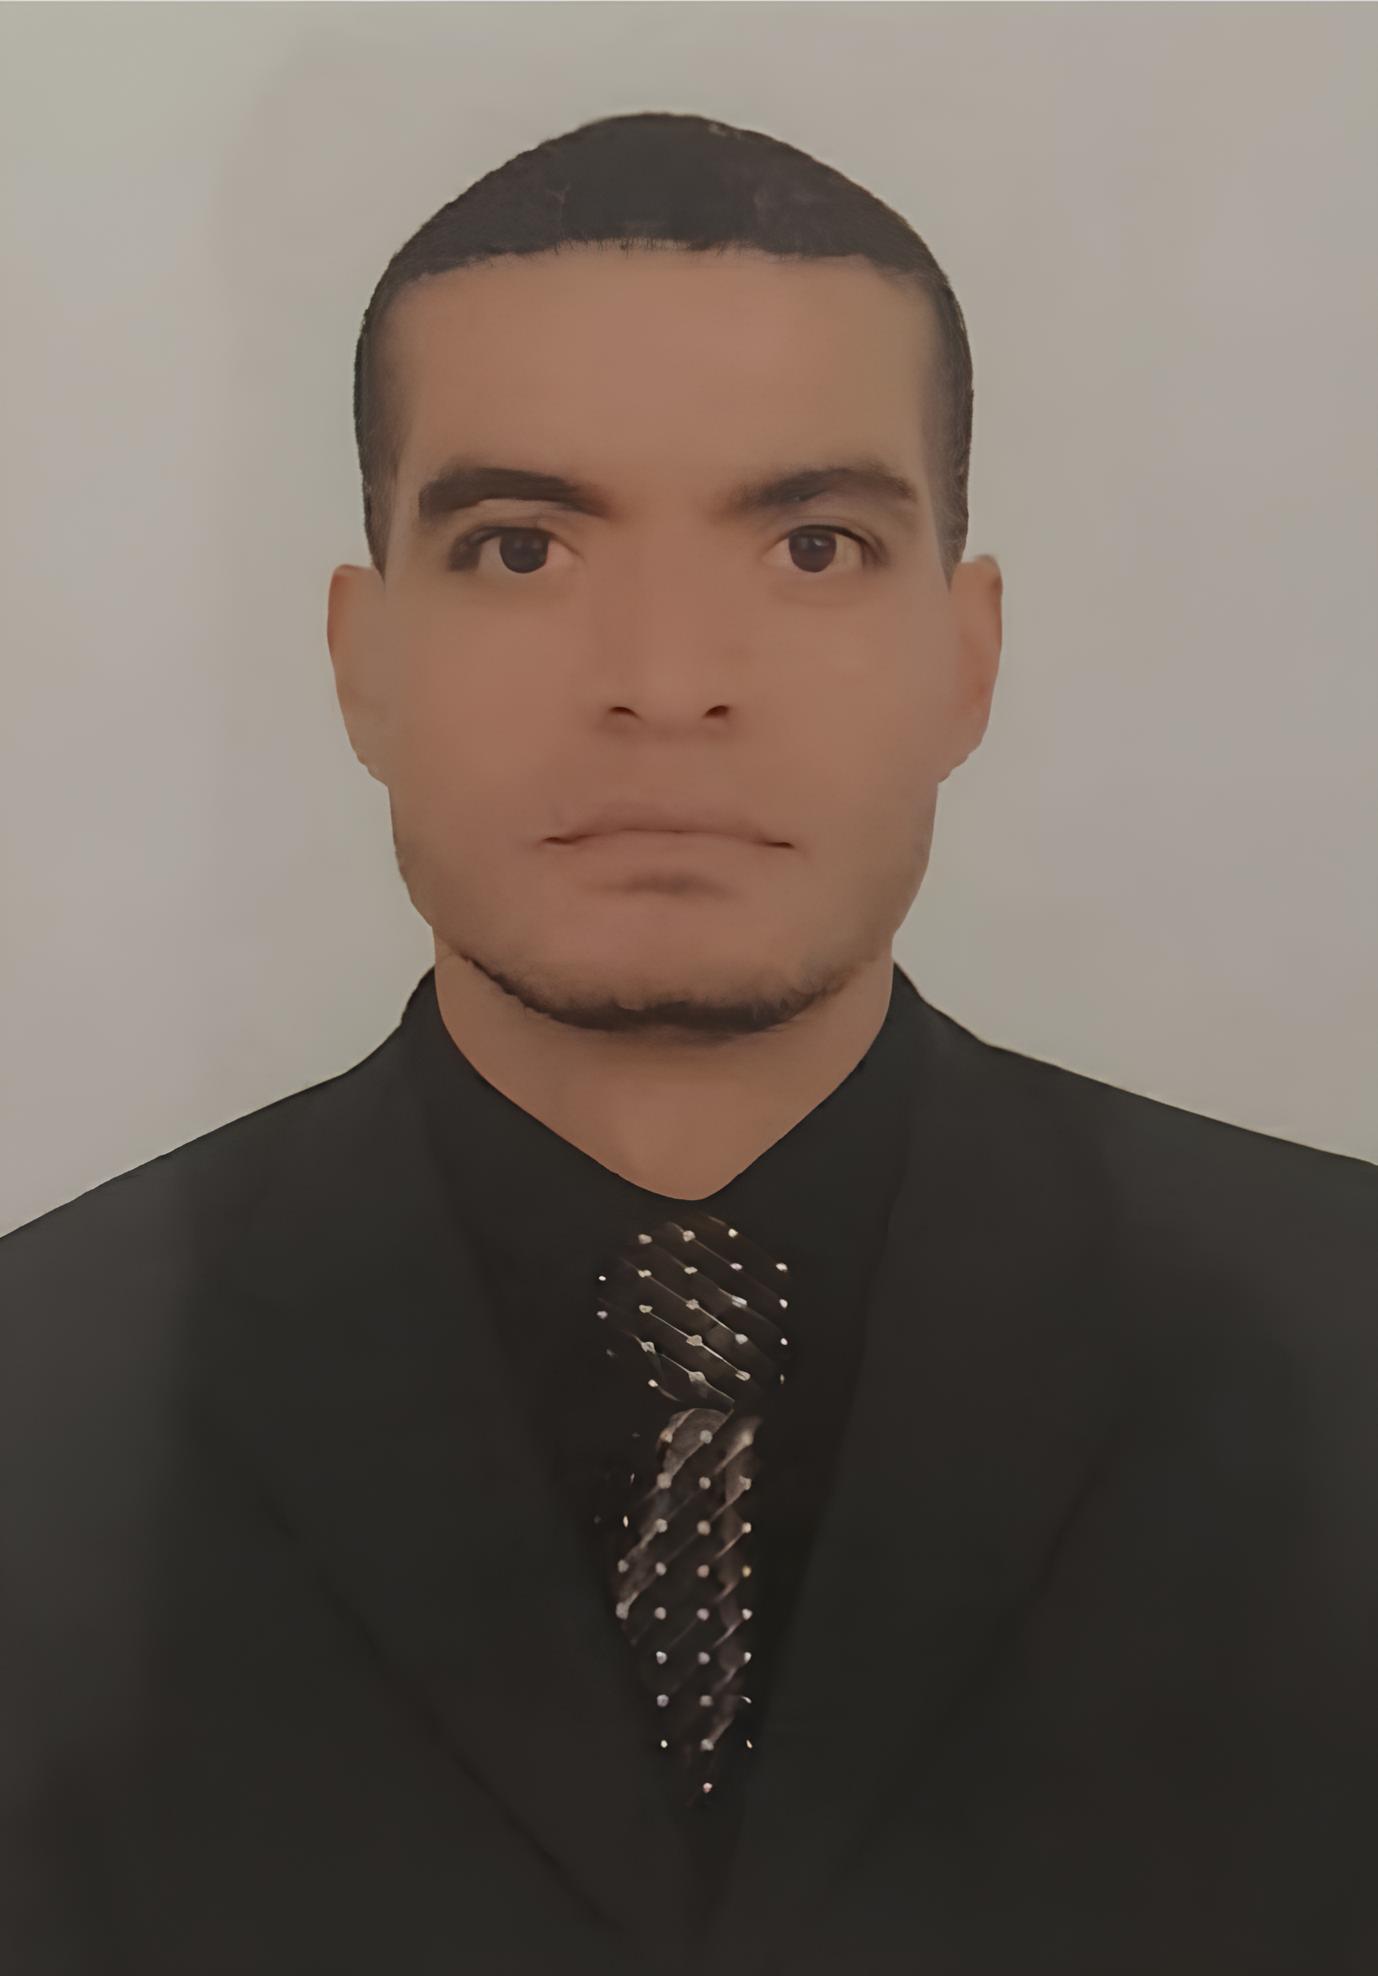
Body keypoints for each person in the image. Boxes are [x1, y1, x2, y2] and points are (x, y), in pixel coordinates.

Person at [3, 110, 1375, 1976]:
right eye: (518, 549)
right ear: (361, 661)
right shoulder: (37, 1409)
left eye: (811, 546)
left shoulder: (1344, 1346)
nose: (665, 682)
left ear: (966, 658)